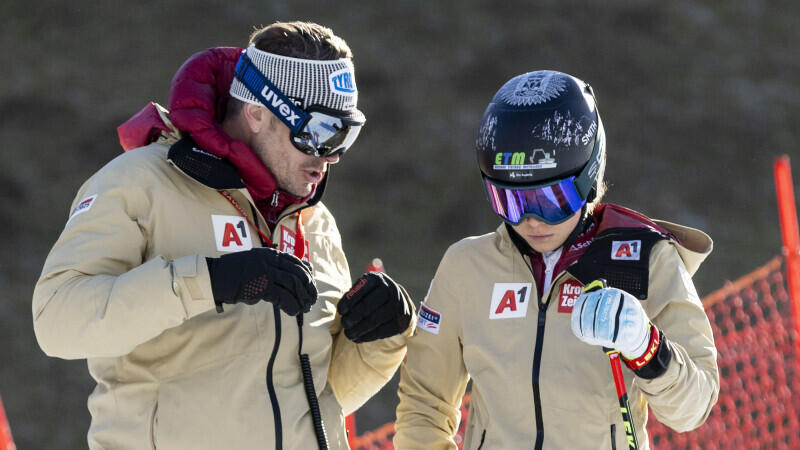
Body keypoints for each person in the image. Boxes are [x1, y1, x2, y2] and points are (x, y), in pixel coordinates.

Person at [33, 21, 415, 450]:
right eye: (319, 133)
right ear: (256, 113)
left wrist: (382, 338)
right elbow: (56, 321)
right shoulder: (139, 184)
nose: (330, 158)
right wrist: (207, 282)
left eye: (346, 134)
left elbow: (321, 398)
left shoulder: (313, 220)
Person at [394, 70, 719, 449]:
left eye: (552, 201)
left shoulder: (647, 260)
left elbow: (693, 408)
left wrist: (646, 346)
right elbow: (423, 405)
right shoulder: (466, 267)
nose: (532, 220)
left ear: (589, 179)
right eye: (511, 201)